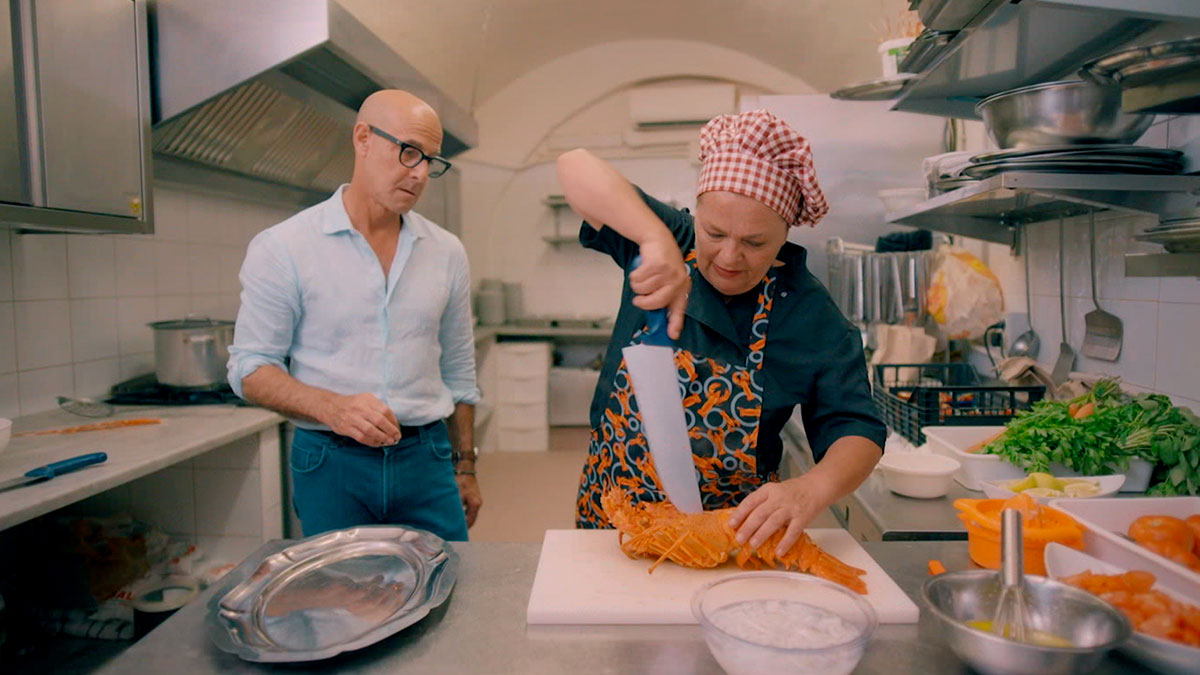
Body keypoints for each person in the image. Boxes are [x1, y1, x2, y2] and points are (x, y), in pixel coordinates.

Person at [559, 109, 886, 556]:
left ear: (785, 235)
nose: (729, 257)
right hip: (612, 525)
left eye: (754, 243)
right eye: (713, 233)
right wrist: (654, 240)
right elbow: (574, 166)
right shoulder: (669, 239)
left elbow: (857, 427)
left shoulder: (813, 317)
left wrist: (811, 488)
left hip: (728, 542)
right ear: (697, 215)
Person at [227, 89, 481, 541]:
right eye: (409, 152)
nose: (420, 173)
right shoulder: (284, 247)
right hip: (331, 461)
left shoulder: (447, 251)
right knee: (341, 586)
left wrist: (466, 467)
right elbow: (250, 368)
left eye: (430, 160)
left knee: (450, 578)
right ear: (363, 138)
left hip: (426, 458)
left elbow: (460, 372)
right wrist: (332, 407)